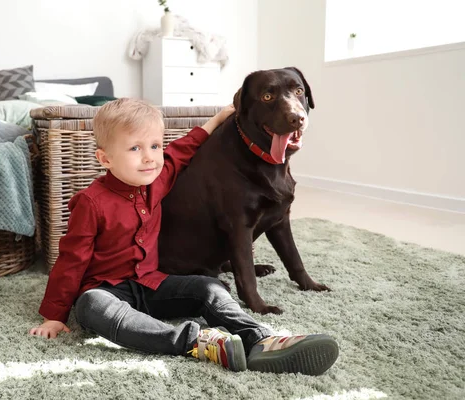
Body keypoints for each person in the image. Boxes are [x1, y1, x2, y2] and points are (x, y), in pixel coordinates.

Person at [29, 98, 339, 375]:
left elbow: (182, 149)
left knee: (209, 286)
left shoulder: (156, 181)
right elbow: (72, 259)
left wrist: (216, 121)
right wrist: (55, 315)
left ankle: (262, 339)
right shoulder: (91, 202)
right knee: (91, 307)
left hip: (152, 284)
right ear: (105, 159)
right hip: (107, 290)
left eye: (154, 146)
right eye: (135, 148)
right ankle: (196, 342)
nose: (150, 157)